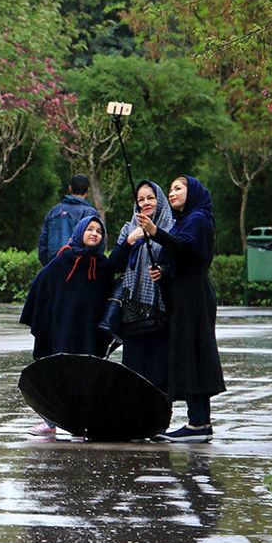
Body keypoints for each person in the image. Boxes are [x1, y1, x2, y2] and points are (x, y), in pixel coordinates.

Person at [134, 175, 226, 443]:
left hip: (194, 295)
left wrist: (155, 232)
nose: (172, 193)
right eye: (170, 189)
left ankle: (198, 423)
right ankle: (199, 422)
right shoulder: (184, 221)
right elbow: (180, 256)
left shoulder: (198, 219)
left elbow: (186, 248)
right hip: (184, 293)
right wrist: (163, 270)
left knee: (194, 353)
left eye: (178, 188)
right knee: (190, 354)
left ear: (193, 191)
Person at [20, 214, 116, 436]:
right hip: (63, 330)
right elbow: (42, 285)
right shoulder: (63, 260)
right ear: (80, 232)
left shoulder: (104, 266)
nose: (94, 234)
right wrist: (45, 320)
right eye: (90, 229)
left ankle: (80, 425)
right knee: (58, 374)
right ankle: (50, 422)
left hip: (89, 333)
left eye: (99, 231)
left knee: (86, 378)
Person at [106, 180, 175, 393]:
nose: (145, 203)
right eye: (141, 199)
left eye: (150, 198)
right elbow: (114, 265)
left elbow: (179, 261)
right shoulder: (129, 228)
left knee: (159, 375)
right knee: (133, 375)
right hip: (133, 312)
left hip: (162, 311)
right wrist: (130, 240)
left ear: (160, 200)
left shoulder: (172, 227)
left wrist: (163, 270)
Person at [38, 174, 99, 266]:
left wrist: (48, 265)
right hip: (80, 266)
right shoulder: (91, 213)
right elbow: (97, 244)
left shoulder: (54, 211)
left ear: (70, 189)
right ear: (88, 190)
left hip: (55, 264)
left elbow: (43, 242)